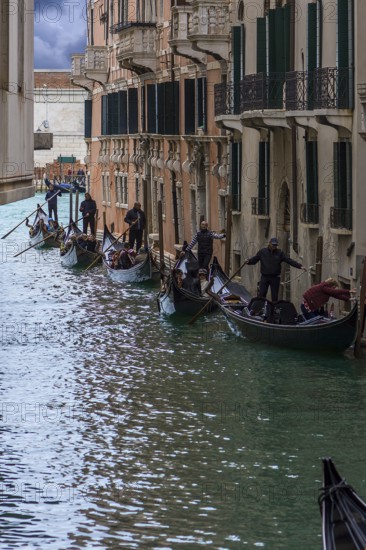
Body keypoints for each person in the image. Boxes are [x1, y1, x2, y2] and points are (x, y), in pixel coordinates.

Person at [244, 237, 305, 302]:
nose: (274, 246)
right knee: (261, 294)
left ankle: (273, 310)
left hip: (275, 278)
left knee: (274, 296)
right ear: (269, 244)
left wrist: (300, 266)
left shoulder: (280, 253)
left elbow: (289, 260)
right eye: (273, 245)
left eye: (275, 245)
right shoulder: (262, 252)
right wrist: (249, 261)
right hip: (265, 277)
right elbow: (255, 259)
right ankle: (260, 308)